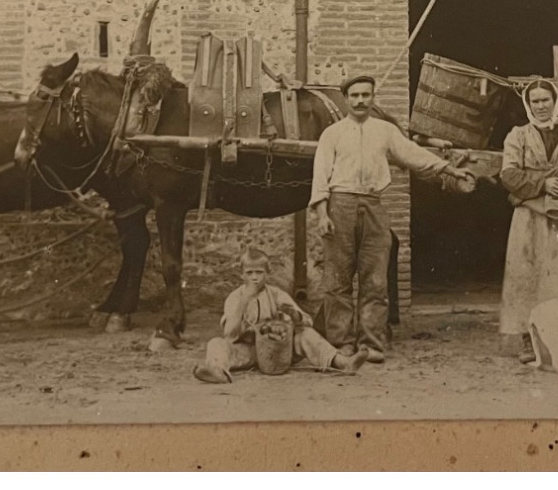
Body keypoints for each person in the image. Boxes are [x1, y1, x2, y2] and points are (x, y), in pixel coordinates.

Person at [311, 74, 476, 363]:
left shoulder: (386, 131)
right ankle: (342, 343)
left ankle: (371, 344)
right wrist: (322, 214)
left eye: (366, 95)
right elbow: (320, 178)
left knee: (375, 279)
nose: (361, 101)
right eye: (355, 96)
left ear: (373, 98)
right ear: (346, 99)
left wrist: (450, 170)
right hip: (340, 206)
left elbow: (414, 155)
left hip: (374, 207)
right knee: (337, 281)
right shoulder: (332, 134)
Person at [499, 79, 558, 363]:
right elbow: (509, 175)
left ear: (555, 103)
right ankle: (531, 343)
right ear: (528, 106)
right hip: (530, 217)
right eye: (535, 102)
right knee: (529, 276)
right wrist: (545, 183)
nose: (541, 106)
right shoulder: (517, 136)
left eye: (545, 100)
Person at [193, 248, 369, 383]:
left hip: (280, 351)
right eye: (249, 273)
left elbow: (306, 322)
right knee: (215, 343)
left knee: (306, 335)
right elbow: (230, 334)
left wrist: (295, 315)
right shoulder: (234, 298)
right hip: (248, 351)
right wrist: (244, 301)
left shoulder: (276, 294)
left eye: (259, 272)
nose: (254, 278)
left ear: (267, 273)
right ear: (242, 275)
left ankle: (342, 363)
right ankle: (217, 371)